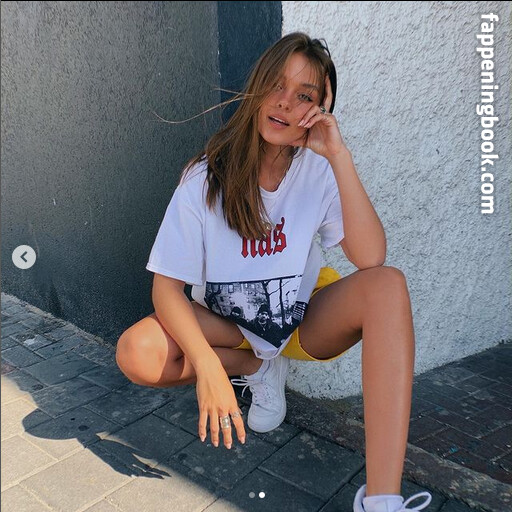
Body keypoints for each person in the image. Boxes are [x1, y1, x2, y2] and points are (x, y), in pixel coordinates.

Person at [115, 32, 432, 512]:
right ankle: (255, 368)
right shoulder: (205, 177)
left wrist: (339, 157)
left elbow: (371, 258)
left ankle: (382, 501)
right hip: (229, 326)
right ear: (257, 87)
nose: (285, 103)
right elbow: (166, 289)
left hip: (299, 322)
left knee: (388, 286)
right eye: (277, 86)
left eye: (304, 95)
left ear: (320, 109)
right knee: (136, 352)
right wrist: (209, 368)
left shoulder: (318, 170)